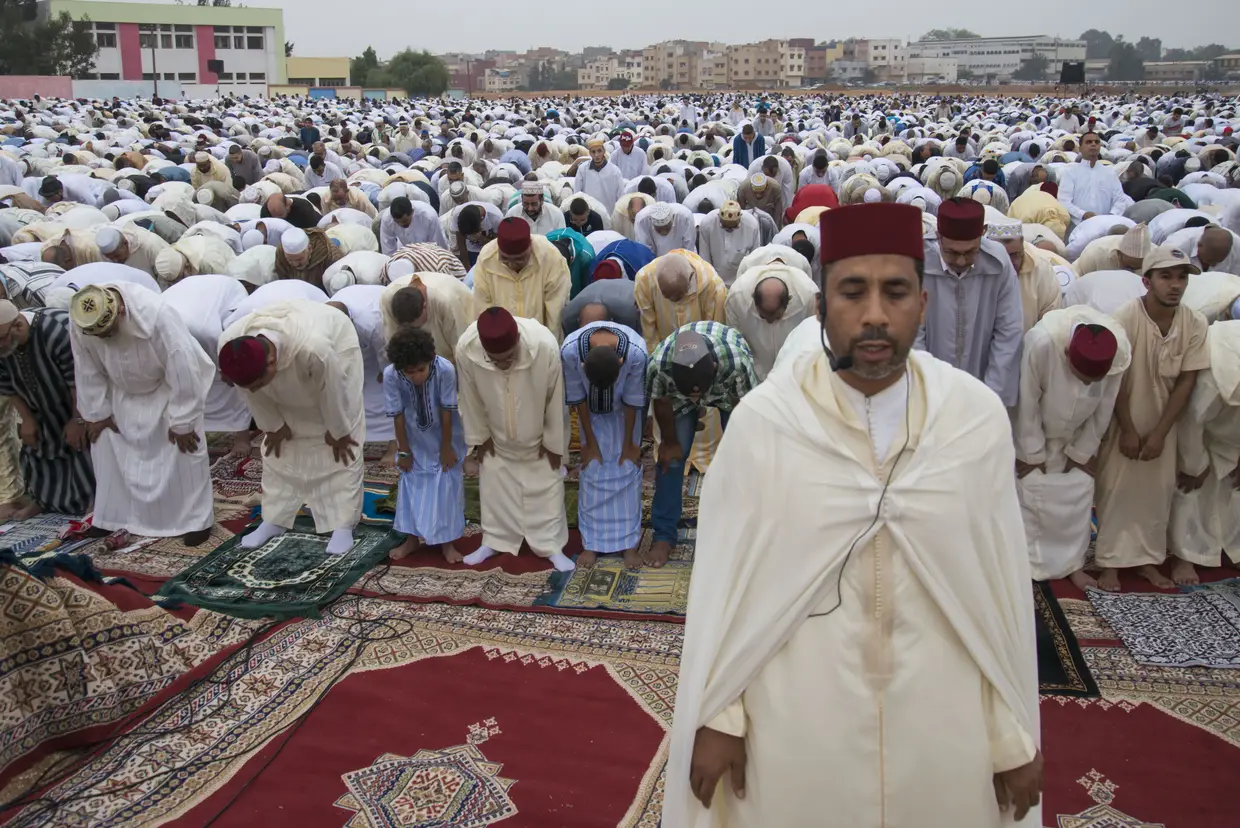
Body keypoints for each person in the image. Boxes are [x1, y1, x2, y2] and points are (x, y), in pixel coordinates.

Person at [665, 201, 1040, 828]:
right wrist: (722, 715)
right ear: (820, 307)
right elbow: (729, 586)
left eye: (895, 292)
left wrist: (1010, 735)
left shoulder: (972, 420)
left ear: (923, 303)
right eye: (852, 292)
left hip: (942, 718)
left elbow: (994, 592)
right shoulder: (767, 424)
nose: (874, 315)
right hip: (798, 715)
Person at [1093, 246, 1211, 591]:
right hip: (1125, 417)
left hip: (1166, 420)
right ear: (1146, 281)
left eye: (1182, 277)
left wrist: (1160, 432)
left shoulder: (1194, 322)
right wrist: (1129, 429)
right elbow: (1116, 376)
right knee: (1116, 487)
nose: (1175, 285)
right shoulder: (1125, 317)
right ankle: (1110, 563)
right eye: (1166, 276)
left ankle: (1147, 561)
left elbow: (1187, 379)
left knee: (1157, 493)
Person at [68, 284, 215, 544]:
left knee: (186, 447)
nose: (106, 338)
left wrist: (182, 421)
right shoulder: (80, 319)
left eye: (109, 331)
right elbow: (85, 365)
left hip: (167, 387)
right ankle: (112, 518)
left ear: (120, 310)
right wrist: (96, 413)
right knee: (103, 441)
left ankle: (195, 521)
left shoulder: (157, 315)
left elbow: (183, 366)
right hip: (119, 391)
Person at [218, 300, 364, 556]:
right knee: (279, 448)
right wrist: (272, 425)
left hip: (335, 352)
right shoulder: (231, 344)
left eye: (258, 383)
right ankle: (274, 519)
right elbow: (248, 391)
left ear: (271, 362)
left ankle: (343, 525)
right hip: (284, 362)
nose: (254, 390)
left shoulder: (315, 348)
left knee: (341, 450)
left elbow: (334, 391)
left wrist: (338, 430)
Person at [1015, 308, 1131, 588]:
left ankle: (1072, 564)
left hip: (1076, 436)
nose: (1087, 384)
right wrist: (1032, 454)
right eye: (1081, 377)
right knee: (1031, 490)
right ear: (1067, 354)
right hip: (1036, 433)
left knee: (1080, 488)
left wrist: (1082, 452)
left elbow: (1105, 406)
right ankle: (1027, 566)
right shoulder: (1042, 343)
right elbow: (1026, 401)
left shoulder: (1117, 352)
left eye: (1093, 380)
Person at [455, 307, 574, 572]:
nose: (502, 365)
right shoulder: (467, 348)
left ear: (518, 340)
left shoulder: (543, 346)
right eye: (494, 361)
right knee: (495, 487)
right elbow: (469, 396)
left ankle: (551, 546)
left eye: (508, 358)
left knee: (547, 489)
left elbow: (556, 399)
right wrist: (479, 437)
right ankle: (494, 541)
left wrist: (554, 443)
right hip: (496, 437)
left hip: (538, 437)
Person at [647, 322, 758, 568]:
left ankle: (744, 529)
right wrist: (669, 442)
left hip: (728, 393)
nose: (697, 398)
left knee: (744, 460)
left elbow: (746, 407)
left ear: (715, 367)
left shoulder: (736, 363)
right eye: (693, 395)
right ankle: (664, 535)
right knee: (670, 460)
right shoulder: (659, 365)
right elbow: (662, 402)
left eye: (699, 394)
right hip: (678, 395)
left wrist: (740, 448)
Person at [916, 198, 1024, 406]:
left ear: (982, 235)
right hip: (929, 389)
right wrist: (926, 392)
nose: (961, 261)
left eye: (970, 252)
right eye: (952, 252)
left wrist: (991, 397)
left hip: (981, 384)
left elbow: (1008, 330)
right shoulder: (919, 263)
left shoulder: (997, 263)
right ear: (938, 237)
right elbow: (912, 333)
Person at [562, 318, 647, 569]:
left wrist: (630, 444)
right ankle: (592, 543)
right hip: (590, 414)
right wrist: (589, 443)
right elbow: (578, 398)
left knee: (627, 468)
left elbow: (632, 400)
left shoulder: (636, 353)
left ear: (621, 363)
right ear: (583, 365)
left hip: (626, 415)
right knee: (593, 470)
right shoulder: (570, 352)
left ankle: (629, 544)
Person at [0, 300, 94, 518]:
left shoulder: (57, 331)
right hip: (37, 404)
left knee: (81, 445)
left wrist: (77, 419)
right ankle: (44, 501)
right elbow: (6, 385)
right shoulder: (3, 345)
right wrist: (27, 419)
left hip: (75, 401)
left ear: (18, 326)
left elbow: (77, 380)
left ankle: (92, 502)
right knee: (36, 444)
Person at [384, 326, 467, 563]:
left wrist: (446, 448)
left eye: (421, 370)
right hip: (412, 436)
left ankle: (447, 543)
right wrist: (403, 451)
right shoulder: (392, 374)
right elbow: (397, 414)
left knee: (446, 485)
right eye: (410, 372)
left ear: (431, 359)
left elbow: (447, 410)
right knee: (411, 482)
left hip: (445, 435)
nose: (416, 377)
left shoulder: (445, 370)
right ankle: (411, 540)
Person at [1169, 319, 1240, 570]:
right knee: (1193, 488)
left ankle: (1232, 549)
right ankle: (1186, 556)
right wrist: (1193, 466)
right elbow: (1191, 422)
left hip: (1231, 432)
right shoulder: (1212, 381)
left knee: (1233, 488)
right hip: (1201, 431)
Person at [161, 274, 254, 457]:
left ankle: (242, 438)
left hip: (226, 296)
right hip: (190, 304)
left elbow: (230, 357)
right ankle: (193, 431)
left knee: (235, 379)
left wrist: (227, 370)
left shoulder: (208, 332)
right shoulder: (159, 330)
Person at [473, 217, 572, 341]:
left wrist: (551, 343)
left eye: (519, 259)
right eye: (505, 259)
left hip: (540, 339)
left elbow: (555, 311)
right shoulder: (487, 259)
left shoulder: (550, 257)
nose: (512, 264)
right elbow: (483, 306)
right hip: (503, 340)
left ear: (530, 246)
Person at [326, 283, 394, 448]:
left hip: (381, 324)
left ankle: (393, 440)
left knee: (384, 386)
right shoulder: (324, 317)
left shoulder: (373, 322)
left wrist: (384, 371)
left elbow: (384, 351)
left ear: (349, 321)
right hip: (355, 340)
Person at [725, 262, 820, 380]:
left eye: (777, 318)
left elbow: (814, 339)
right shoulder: (737, 299)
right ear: (753, 299)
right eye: (763, 317)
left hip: (795, 374)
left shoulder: (808, 296)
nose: (770, 322)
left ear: (789, 300)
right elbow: (735, 342)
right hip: (754, 374)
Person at [379, 267, 475, 363]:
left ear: (425, 306)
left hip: (461, 311)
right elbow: (394, 345)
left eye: (415, 326)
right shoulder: (388, 299)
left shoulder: (446, 301)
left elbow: (460, 349)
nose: (412, 331)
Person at [986, 217, 1062, 335]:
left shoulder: (1041, 270)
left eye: (1014, 255)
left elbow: (1051, 321)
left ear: (1022, 248)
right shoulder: (975, 269)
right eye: (1002, 256)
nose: (1009, 263)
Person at [1057, 132, 1130, 229]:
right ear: (1080, 148)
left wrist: (1111, 215)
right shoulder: (1070, 173)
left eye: (1096, 142)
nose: (1093, 144)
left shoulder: (1109, 173)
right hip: (1078, 226)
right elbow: (1064, 201)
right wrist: (1083, 214)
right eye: (1089, 142)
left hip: (1106, 226)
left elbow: (1120, 199)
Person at [698, 202, 762, 287]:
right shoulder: (708, 223)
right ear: (719, 217)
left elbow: (755, 259)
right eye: (725, 226)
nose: (729, 229)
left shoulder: (751, 224)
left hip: (741, 281)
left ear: (740, 218)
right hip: (715, 281)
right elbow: (705, 259)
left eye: (733, 227)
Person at [561, 269, 641, 336]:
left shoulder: (630, 313)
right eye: (586, 332)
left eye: (596, 332)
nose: (591, 338)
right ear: (578, 321)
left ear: (610, 322)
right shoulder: (568, 317)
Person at [94, 224, 171, 281]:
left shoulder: (150, 245)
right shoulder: (100, 252)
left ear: (125, 243)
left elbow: (167, 275)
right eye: (110, 258)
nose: (115, 260)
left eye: (117, 256)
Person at [275, 226, 342, 290]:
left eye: (299, 259)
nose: (295, 264)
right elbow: (282, 277)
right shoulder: (280, 253)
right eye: (289, 260)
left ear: (309, 249)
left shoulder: (330, 256)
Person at [1073, 223, 1151, 277]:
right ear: (1119, 253)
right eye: (1128, 266)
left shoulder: (1154, 259)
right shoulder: (1094, 253)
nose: (1129, 270)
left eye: (1136, 268)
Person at [379, 196, 447, 255]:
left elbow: (438, 244)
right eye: (397, 222)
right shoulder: (387, 219)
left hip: (429, 247)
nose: (401, 225)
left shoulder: (428, 215)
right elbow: (388, 249)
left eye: (404, 221)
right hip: (404, 248)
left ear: (412, 212)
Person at [574, 138, 625, 213]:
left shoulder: (614, 171)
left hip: (609, 212)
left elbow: (620, 195)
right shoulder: (583, 169)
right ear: (590, 153)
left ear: (604, 151)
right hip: (589, 213)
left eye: (599, 151)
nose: (596, 155)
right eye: (593, 152)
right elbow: (577, 192)